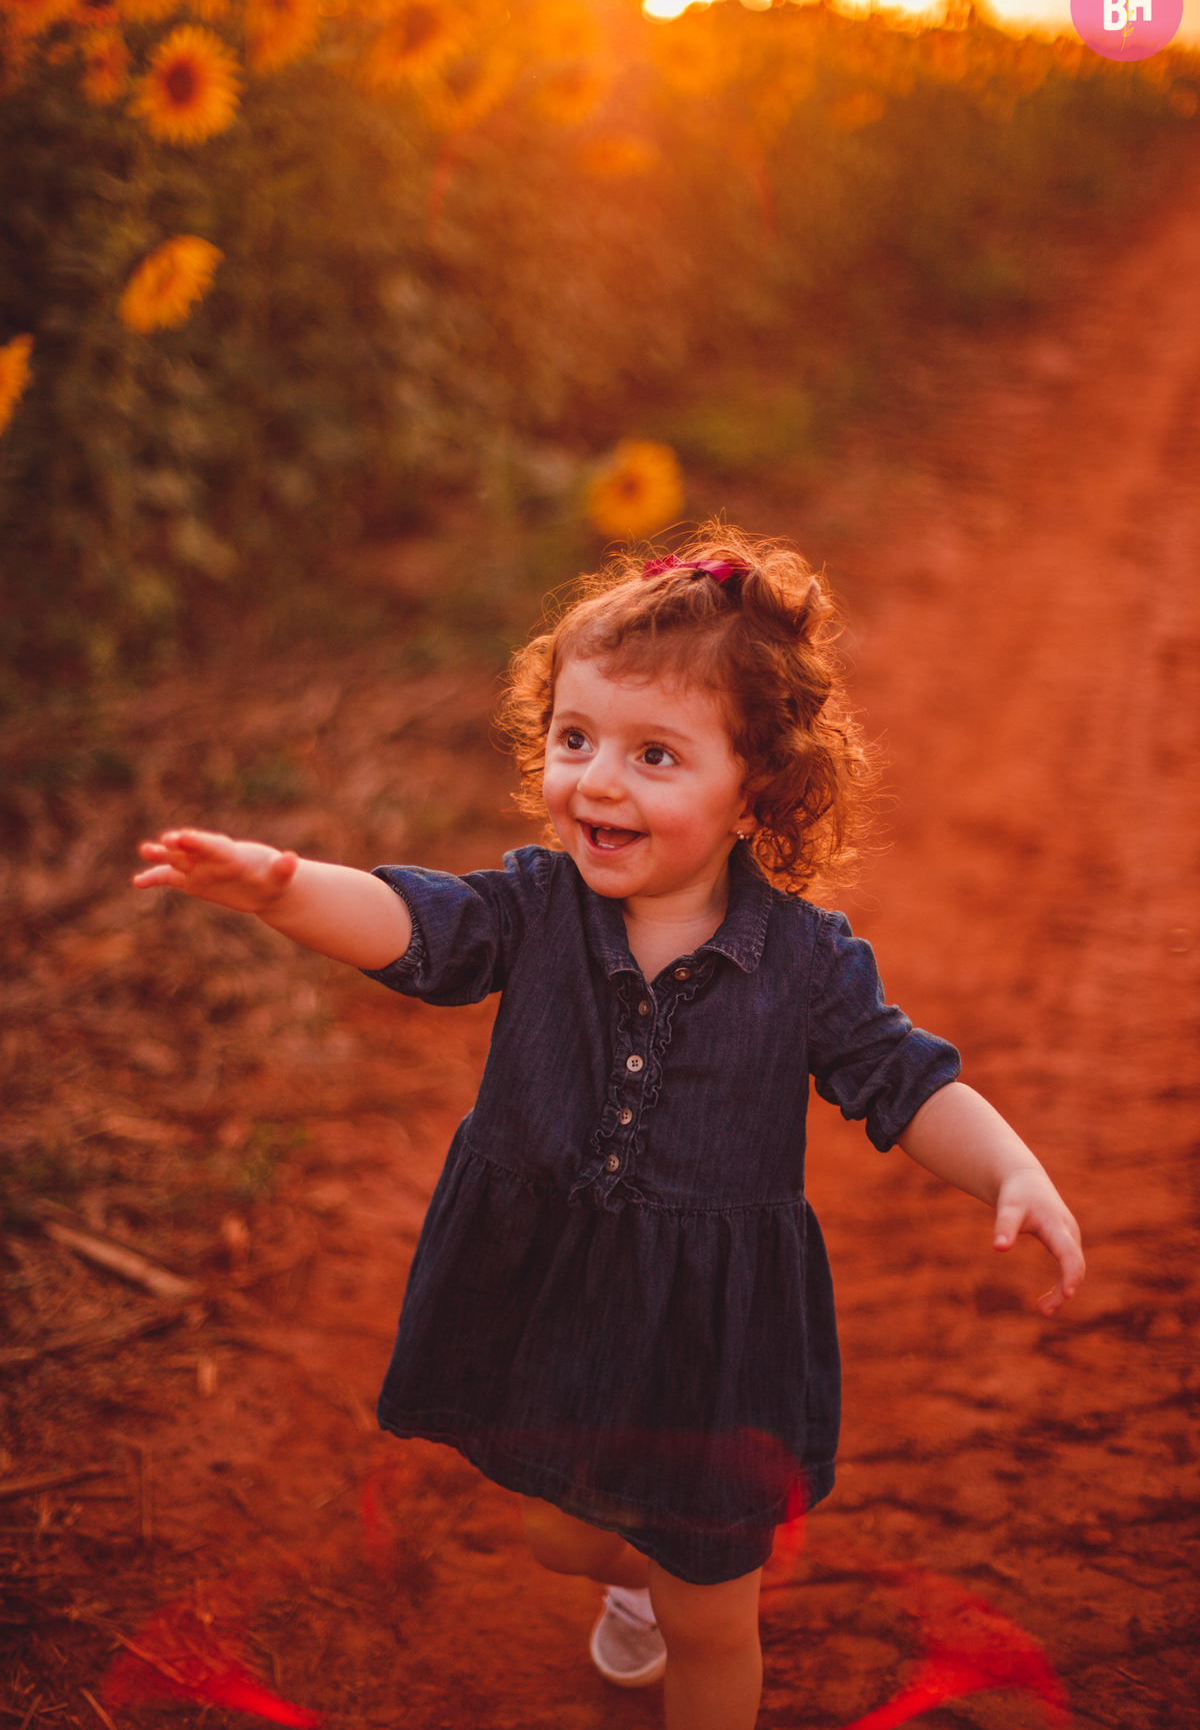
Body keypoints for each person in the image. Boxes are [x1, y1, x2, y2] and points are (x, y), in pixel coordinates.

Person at [133, 531, 1084, 1730]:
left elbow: (905, 1081)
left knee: (711, 1616)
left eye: (655, 755)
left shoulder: (805, 965)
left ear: (756, 788)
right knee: (564, 1532)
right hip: (561, 1304)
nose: (598, 782)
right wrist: (283, 887)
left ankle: (682, 1602)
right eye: (574, 738)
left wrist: (1010, 1167)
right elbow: (412, 926)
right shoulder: (536, 909)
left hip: (714, 1343)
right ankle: (633, 1579)